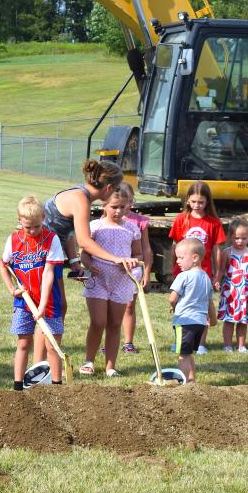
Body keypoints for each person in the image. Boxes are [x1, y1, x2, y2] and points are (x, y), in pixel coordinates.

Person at [0, 196, 65, 390]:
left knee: (52, 345)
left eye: (37, 226)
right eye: (28, 227)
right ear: (19, 220)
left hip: (49, 301)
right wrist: (12, 289)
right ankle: (18, 386)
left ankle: (56, 386)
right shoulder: (13, 240)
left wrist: (43, 305)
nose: (33, 231)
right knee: (23, 343)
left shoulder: (52, 240)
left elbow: (48, 273)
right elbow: (3, 265)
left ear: (43, 218)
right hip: (23, 302)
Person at [78, 187, 142, 377]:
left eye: (123, 207)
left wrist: (133, 263)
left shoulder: (132, 228)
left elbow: (137, 254)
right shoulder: (96, 226)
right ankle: (89, 360)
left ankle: (110, 366)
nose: (119, 211)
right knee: (98, 321)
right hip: (99, 280)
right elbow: (84, 253)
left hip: (122, 282)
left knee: (114, 323)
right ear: (104, 205)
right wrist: (89, 264)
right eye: (114, 207)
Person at [42, 159, 139, 280]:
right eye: (116, 189)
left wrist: (73, 261)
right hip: (39, 258)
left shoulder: (79, 192)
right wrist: (116, 258)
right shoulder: (81, 200)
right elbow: (84, 242)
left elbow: (65, 231)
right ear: (109, 188)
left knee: (59, 300)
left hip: (48, 256)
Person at [168, 181, 224, 354]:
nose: (197, 205)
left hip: (203, 272)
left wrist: (217, 274)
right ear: (187, 201)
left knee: (201, 306)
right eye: (193, 201)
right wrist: (174, 266)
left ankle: (200, 342)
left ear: (207, 201)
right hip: (183, 272)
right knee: (181, 304)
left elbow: (217, 249)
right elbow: (175, 245)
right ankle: (181, 339)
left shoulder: (213, 223)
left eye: (201, 202)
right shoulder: (180, 220)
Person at [169, 238, 218, 383]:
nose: (177, 261)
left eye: (181, 258)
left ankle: (182, 382)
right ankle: (191, 381)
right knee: (189, 353)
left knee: (182, 355)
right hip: (200, 323)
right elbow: (210, 302)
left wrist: (172, 305)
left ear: (195, 258)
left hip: (185, 321)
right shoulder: (206, 278)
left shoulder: (183, 276)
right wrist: (213, 320)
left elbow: (172, 298)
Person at [215, 217, 248, 353]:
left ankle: (241, 346)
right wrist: (217, 280)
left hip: (247, 293)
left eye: (244, 238)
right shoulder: (227, 252)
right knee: (229, 320)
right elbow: (221, 270)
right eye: (236, 238)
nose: (240, 241)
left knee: (243, 321)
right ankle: (227, 345)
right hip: (231, 293)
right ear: (230, 237)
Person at [119, 183, 152, 354]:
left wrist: (146, 271)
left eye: (131, 201)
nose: (128, 206)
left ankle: (128, 342)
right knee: (112, 308)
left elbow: (145, 249)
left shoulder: (139, 221)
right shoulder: (107, 218)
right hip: (113, 269)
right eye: (125, 202)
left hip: (133, 269)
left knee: (129, 306)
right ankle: (110, 340)